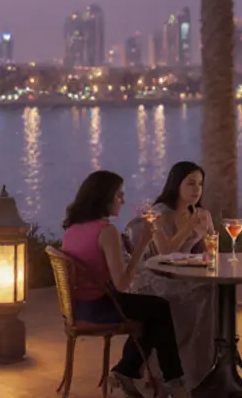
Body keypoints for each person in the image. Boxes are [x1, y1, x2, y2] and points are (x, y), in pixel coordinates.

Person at [61, 170, 189, 398]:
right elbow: (121, 285)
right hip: (100, 307)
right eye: (119, 195)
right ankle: (173, 379)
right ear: (104, 197)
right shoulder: (106, 231)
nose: (123, 200)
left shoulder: (72, 229)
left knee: (151, 310)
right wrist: (142, 245)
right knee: (159, 308)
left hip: (78, 306)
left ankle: (127, 372)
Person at [128, 162, 217, 387]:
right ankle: (170, 369)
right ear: (176, 184)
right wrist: (188, 228)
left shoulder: (203, 215)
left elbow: (208, 251)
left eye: (200, 184)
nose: (196, 189)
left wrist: (209, 252)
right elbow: (165, 252)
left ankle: (202, 368)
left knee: (213, 290)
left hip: (187, 273)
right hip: (158, 274)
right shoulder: (159, 214)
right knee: (193, 297)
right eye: (190, 183)